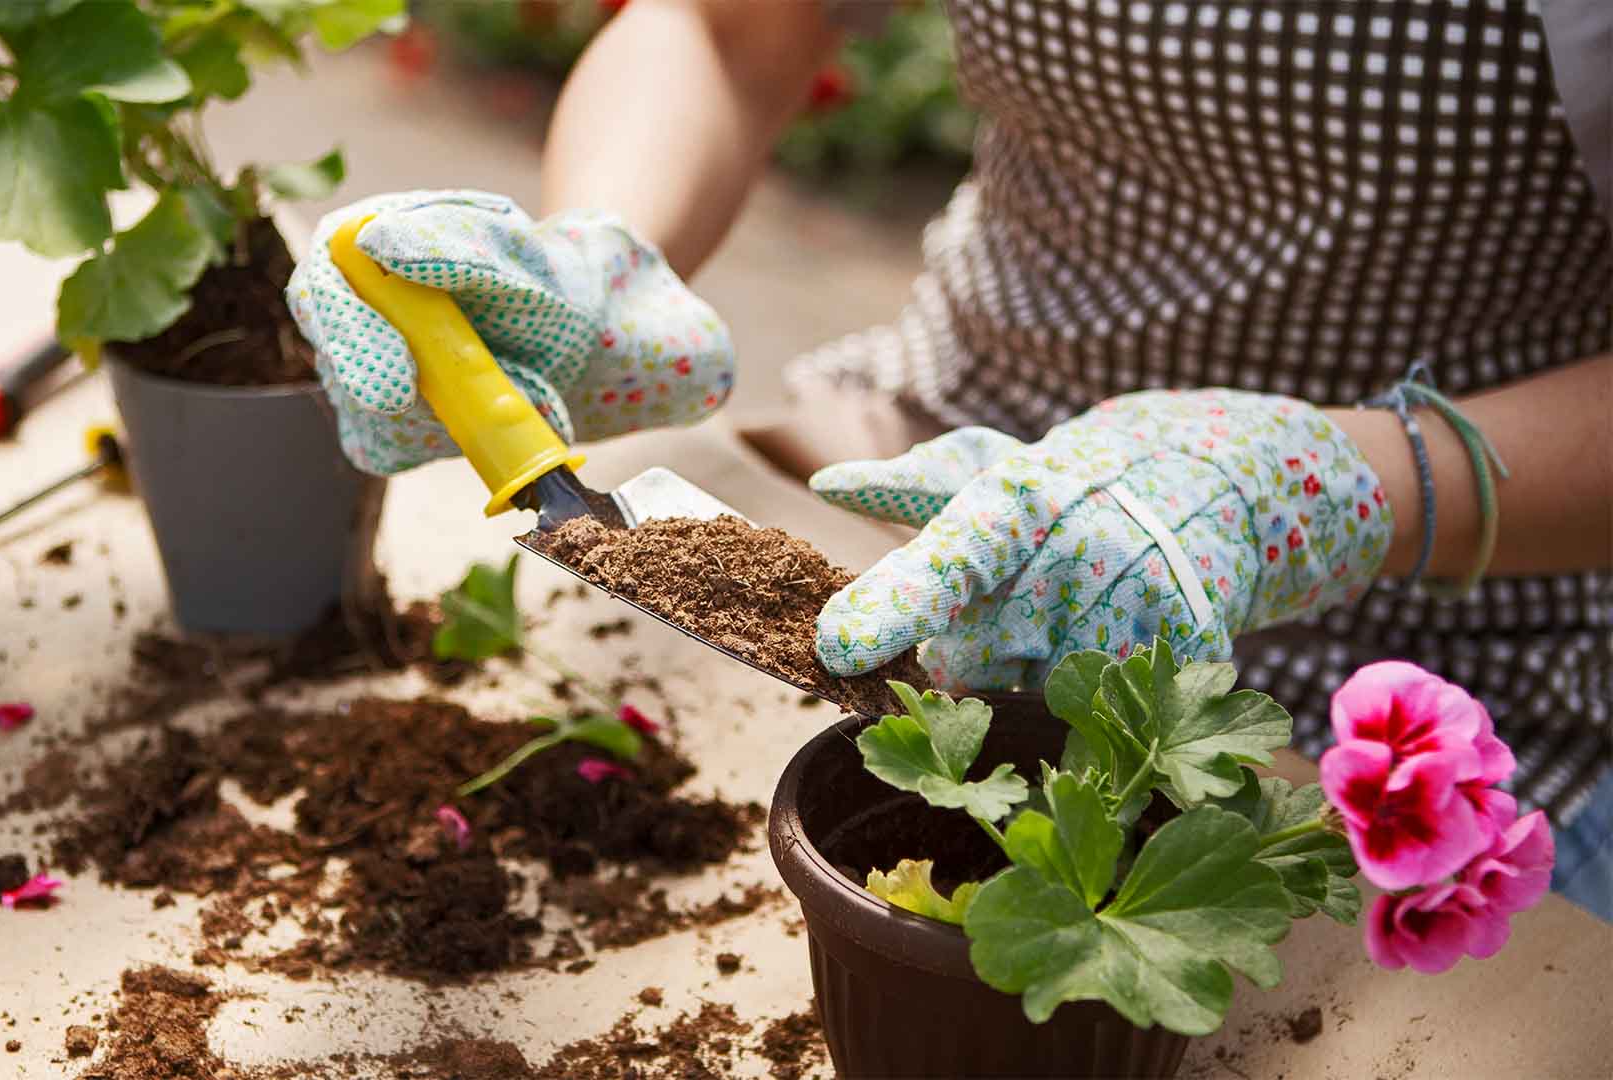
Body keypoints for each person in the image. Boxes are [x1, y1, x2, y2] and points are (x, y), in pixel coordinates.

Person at [287, 0, 1613, 919]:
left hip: (1460, 624)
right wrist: (594, 259)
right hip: (938, 480)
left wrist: (1344, 485)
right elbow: (728, 27)